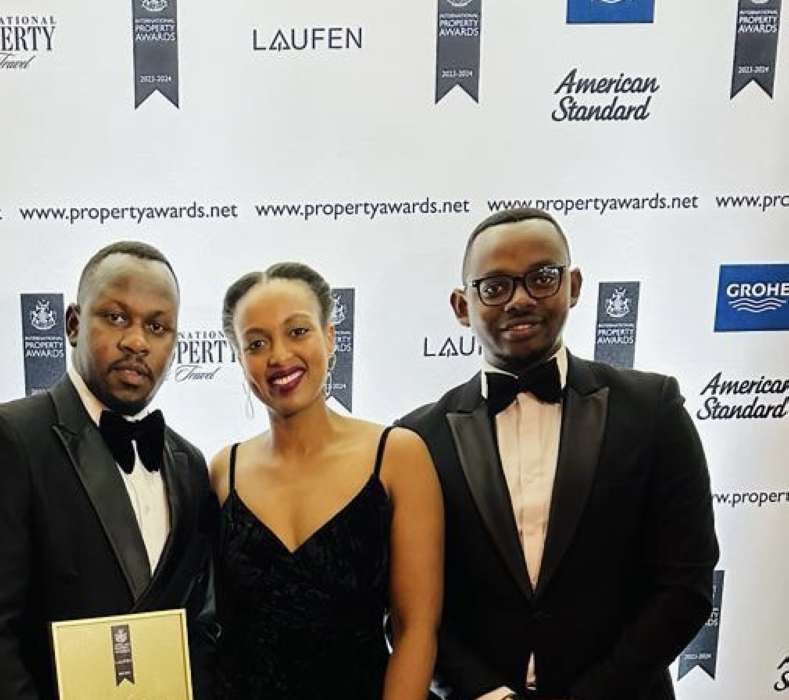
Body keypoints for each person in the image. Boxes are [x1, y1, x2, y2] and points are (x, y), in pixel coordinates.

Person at [399, 207, 719, 700]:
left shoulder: (652, 410)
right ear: (462, 306)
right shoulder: (418, 439)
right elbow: (410, 606)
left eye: (542, 278)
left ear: (573, 285)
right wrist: (484, 692)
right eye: (496, 285)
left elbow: (686, 581)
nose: (521, 299)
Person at [0, 241, 217, 700]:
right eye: (116, 317)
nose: (136, 341)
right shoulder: (9, 437)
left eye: (157, 326)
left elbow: (202, 625)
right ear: (73, 324)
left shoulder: (188, 463)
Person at [211, 262, 444, 700]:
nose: (279, 356)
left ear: (331, 337)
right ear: (240, 359)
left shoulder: (397, 455)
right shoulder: (224, 471)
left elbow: (416, 629)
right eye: (256, 343)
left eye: (297, 331)